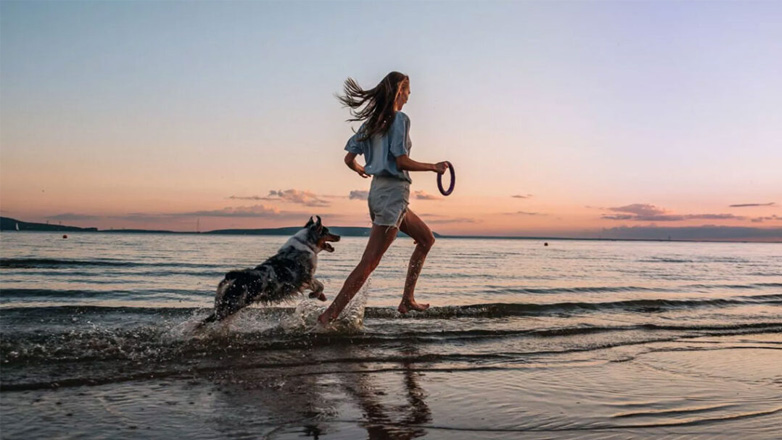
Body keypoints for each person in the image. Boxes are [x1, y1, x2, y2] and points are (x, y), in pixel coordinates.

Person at [318, 72, 449, 326]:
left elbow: (348, 159)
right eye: (408, 91)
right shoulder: (400, 119)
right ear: (401, 91)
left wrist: (360, 169)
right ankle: (329, 315)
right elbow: (401, 161)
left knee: (426, 238)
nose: (410, 96)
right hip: (392, 195)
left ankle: (407, 299)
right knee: (369, 262)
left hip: (378, 194)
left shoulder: (371, 123)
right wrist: (434, 167)